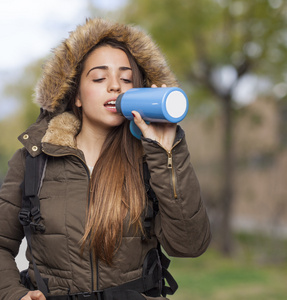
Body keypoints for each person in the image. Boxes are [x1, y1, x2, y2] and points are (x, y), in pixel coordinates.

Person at [0, 18, 211, 300]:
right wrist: (14, 294)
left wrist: (167, 153)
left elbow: (190, 244)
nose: (115, 87)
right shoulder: (33, 159)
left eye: (126, 79)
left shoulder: (152, 158)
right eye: (100, 78)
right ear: (76, 96)